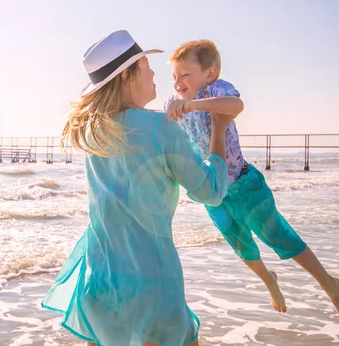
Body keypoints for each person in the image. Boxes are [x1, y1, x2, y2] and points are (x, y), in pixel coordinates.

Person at [41, 30, 231, 346]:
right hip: (153, 288)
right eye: (145, 65)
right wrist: (220, 130)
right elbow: (211, 191)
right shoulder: (161, 128)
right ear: (128, 75)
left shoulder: (96, 132)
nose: (154, 72)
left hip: (100, 285)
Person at [165, 39, 339, 325]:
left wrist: (193, 104)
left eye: (185, 74)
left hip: (245, 184)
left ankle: (329, 283)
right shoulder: (173, 103)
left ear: (210, 73)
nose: (178, 82)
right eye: (174, 77)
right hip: (214, 192)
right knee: (242, 246)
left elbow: (236, 105)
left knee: (278, 235)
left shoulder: (216, 90)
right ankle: (269, 280)